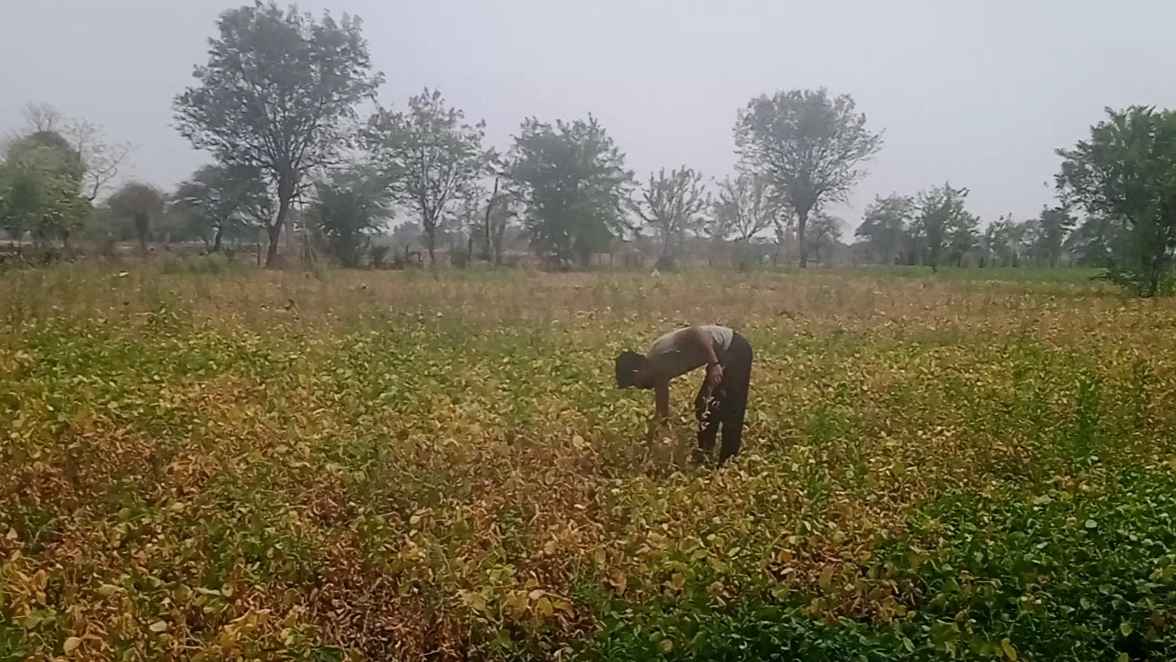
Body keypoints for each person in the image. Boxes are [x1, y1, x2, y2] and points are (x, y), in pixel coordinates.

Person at [615, 325, 754, 465]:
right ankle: (704, 455)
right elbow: (662, 415)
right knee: (703, 406)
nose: (639, 387)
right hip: (720, 356)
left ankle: (728, 464)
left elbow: (695, 332)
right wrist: (649, 444)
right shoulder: (658, 375)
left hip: (734, 348)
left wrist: (713, 363)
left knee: (731, 409)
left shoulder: (662, 352)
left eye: (635, 383)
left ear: (636, 371)